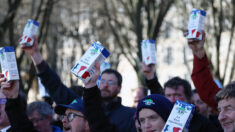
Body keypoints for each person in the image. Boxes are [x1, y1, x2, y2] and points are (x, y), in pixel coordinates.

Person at [21, 37, 136, 132]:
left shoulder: (130, 115)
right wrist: (35, 55)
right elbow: (56, 87)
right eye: (102, 81)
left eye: (110, 82)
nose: (105, 85)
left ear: (120, 88)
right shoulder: (79, 105)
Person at [141, 57, 219, 131]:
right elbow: (156, 91)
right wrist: (150, 76)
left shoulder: (203, 124)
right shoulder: (161, 119)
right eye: (168, 96)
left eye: (177, 95)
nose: (172, 100)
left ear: (189, 98)